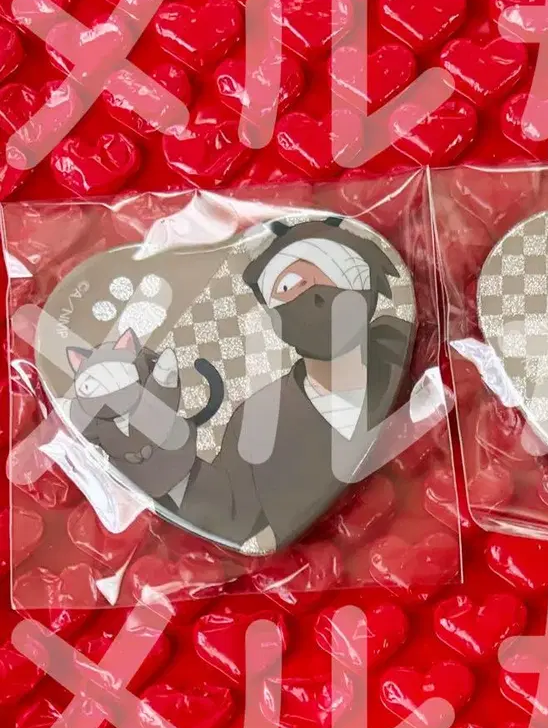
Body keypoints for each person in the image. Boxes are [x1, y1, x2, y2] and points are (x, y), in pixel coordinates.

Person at [162, 216, 414, 554]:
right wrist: (147, 436)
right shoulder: (258, 420)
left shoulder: (410, 358)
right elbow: (228, 513)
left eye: (329, 277)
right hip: (321, 557)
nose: (312, 298)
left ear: (362, 289)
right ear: (275, 319)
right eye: (288, 287)